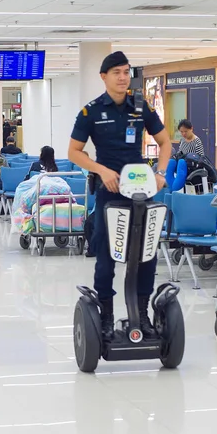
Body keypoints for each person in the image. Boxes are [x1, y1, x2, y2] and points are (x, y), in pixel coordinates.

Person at [68, 51, 171, 341]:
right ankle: (106, 316)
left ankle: (143, 314)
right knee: (106, 257)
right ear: (104, 77)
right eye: (117, 73)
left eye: (126, 72)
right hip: (109, 193)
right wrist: (102, 171)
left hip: (140, 190)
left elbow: (164, 143)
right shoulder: (90, 112)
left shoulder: (141, 107)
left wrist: (160, 173)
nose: (123, 77)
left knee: (147, 252)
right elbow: (73, 152)